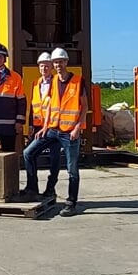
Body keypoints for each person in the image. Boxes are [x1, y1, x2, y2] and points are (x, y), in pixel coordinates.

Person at [23, 47, 86, 215]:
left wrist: (78, 126)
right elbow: (51, 105)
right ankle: (32, 188)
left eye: (60, 61)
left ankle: (71, 202)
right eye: (55, 62)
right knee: (28, 152)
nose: (57, 65)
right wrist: (44, 127)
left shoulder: (78, 81)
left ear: (66, 62)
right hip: (52, 128)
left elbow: (84, 105)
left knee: (72, 169)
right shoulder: (54, 81)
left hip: (70, 131)